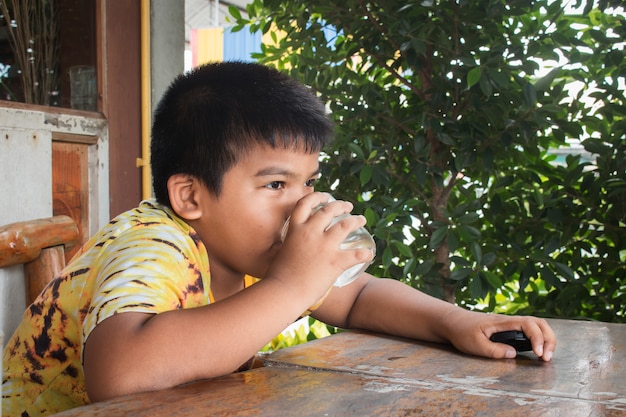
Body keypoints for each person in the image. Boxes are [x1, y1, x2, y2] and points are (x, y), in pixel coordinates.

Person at [2, 62, 556, 417]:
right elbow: (122, 376)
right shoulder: (152, 243)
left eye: (307, 182)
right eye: (275, 183)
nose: (299, 203)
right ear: (191, 197)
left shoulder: (249, 247)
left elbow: (357, 296)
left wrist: (455, 321)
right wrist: (292, 284)